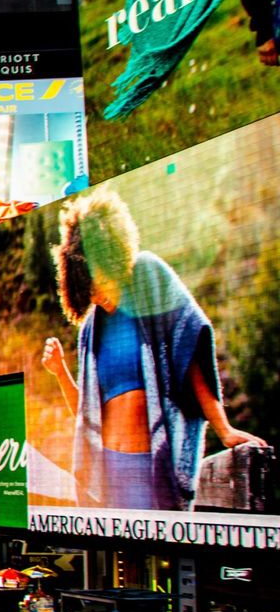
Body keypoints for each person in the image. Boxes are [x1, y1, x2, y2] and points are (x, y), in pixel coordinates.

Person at [41, 187, 266, 510]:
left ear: (113, 257)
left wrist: (224, 429)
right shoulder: (91, 328)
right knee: (120, 561)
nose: (97, 296)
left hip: (151, 465)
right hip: (108, 472)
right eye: (87, 291)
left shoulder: (148, 277)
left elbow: (189, 352)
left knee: (159, 558)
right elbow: (87, 415)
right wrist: (60, 372)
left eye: (99, 281)